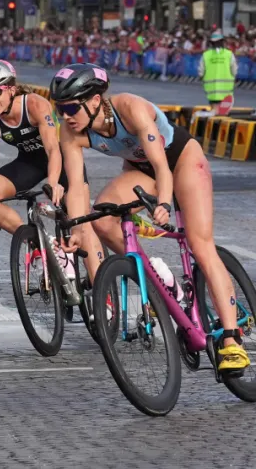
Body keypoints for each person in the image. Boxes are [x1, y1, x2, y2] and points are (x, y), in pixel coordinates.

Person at [51, 63, 250, 375]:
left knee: (200, 244)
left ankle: (231, 340)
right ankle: (160, 276)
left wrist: (165, 204)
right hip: (139, 170)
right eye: (59, 108)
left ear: (94, 100)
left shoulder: (130, 108)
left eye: (70, 107)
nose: (65, 115)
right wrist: (76, 226)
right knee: (103, 218)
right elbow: (77, 186)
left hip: (179, 159)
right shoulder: (70, 132)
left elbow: (161, 166)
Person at [0, 59, 66, 233]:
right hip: (29, 162)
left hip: (62, 159)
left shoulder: (35, 105)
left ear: (11, 89)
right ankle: (34, 240)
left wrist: (53, 183)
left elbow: (53, 148)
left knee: (80, 225)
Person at [198, 30, 237, 110]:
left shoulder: (206, 55)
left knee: (214, 113)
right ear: (222, 42)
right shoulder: (229, 54)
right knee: (223, 115)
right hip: (226, 93)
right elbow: (234, 70)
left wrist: (202, 78)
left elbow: (201, 72)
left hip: (211, 93)